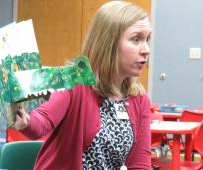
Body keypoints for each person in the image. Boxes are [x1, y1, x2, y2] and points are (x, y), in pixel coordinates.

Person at [12, 0, 152, 169]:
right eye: (136, 39)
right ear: (109, 43)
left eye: (147, 39)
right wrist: (25, 121)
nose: (146, 49)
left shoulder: (139, 98)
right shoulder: (75, 81)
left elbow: (140, 164)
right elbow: (42, 120)